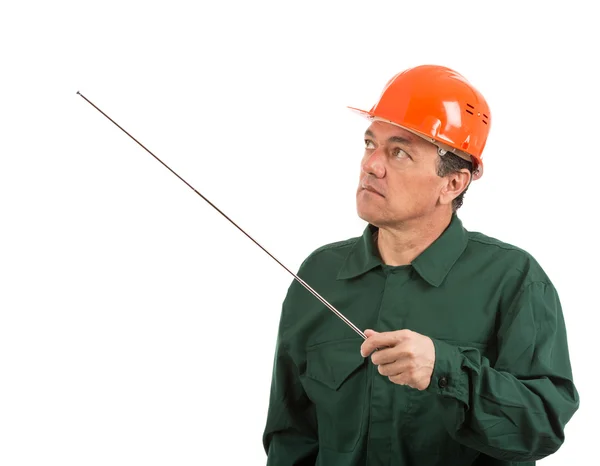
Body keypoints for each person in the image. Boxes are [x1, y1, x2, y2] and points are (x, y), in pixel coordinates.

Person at [262, 65, 579, 466]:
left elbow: (543, 427)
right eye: (369, 143)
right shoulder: (320, 275)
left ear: (453, 184)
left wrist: (446, 370)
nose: (371, 165)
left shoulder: (513, 280)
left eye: (399, 152)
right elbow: (292, 437)